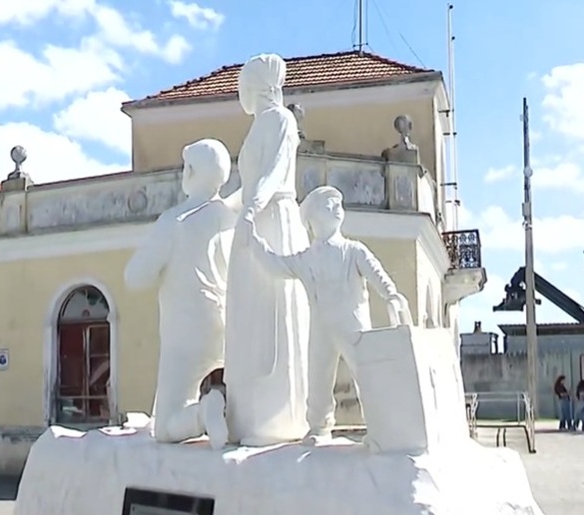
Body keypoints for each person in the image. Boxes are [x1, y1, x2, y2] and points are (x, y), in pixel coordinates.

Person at [238, 186, 410, 445]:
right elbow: (275, 264)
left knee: (366, 373)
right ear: (313, 218)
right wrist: (253, 241)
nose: (337, 207)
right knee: (318, 377)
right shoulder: (306, 258)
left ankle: (382, 429)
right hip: (321, 327)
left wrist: (391, 294)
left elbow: (376, 273)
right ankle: (318, 427)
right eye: (328, 204)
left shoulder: (354, 250)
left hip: (354, 325)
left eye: (338, 202)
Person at [223, 53, 312, 446]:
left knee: (274, 316)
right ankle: (249, 416)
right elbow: (249, 183)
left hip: (273, 220)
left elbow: (275, 172)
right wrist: (221, 207)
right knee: (250, 318)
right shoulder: (259, 125)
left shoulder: (280, 119)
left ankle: (277, 418)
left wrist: (251, 210)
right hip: (255, 217)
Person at [124, 139, 235, 450]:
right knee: (228, 391)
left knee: (165, 428)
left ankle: (203, 413)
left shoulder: (175, 221)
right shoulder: (232, 220)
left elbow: (135, 277)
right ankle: (216, 406)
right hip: (225, 326)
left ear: (192, 172)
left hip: (186, 331)